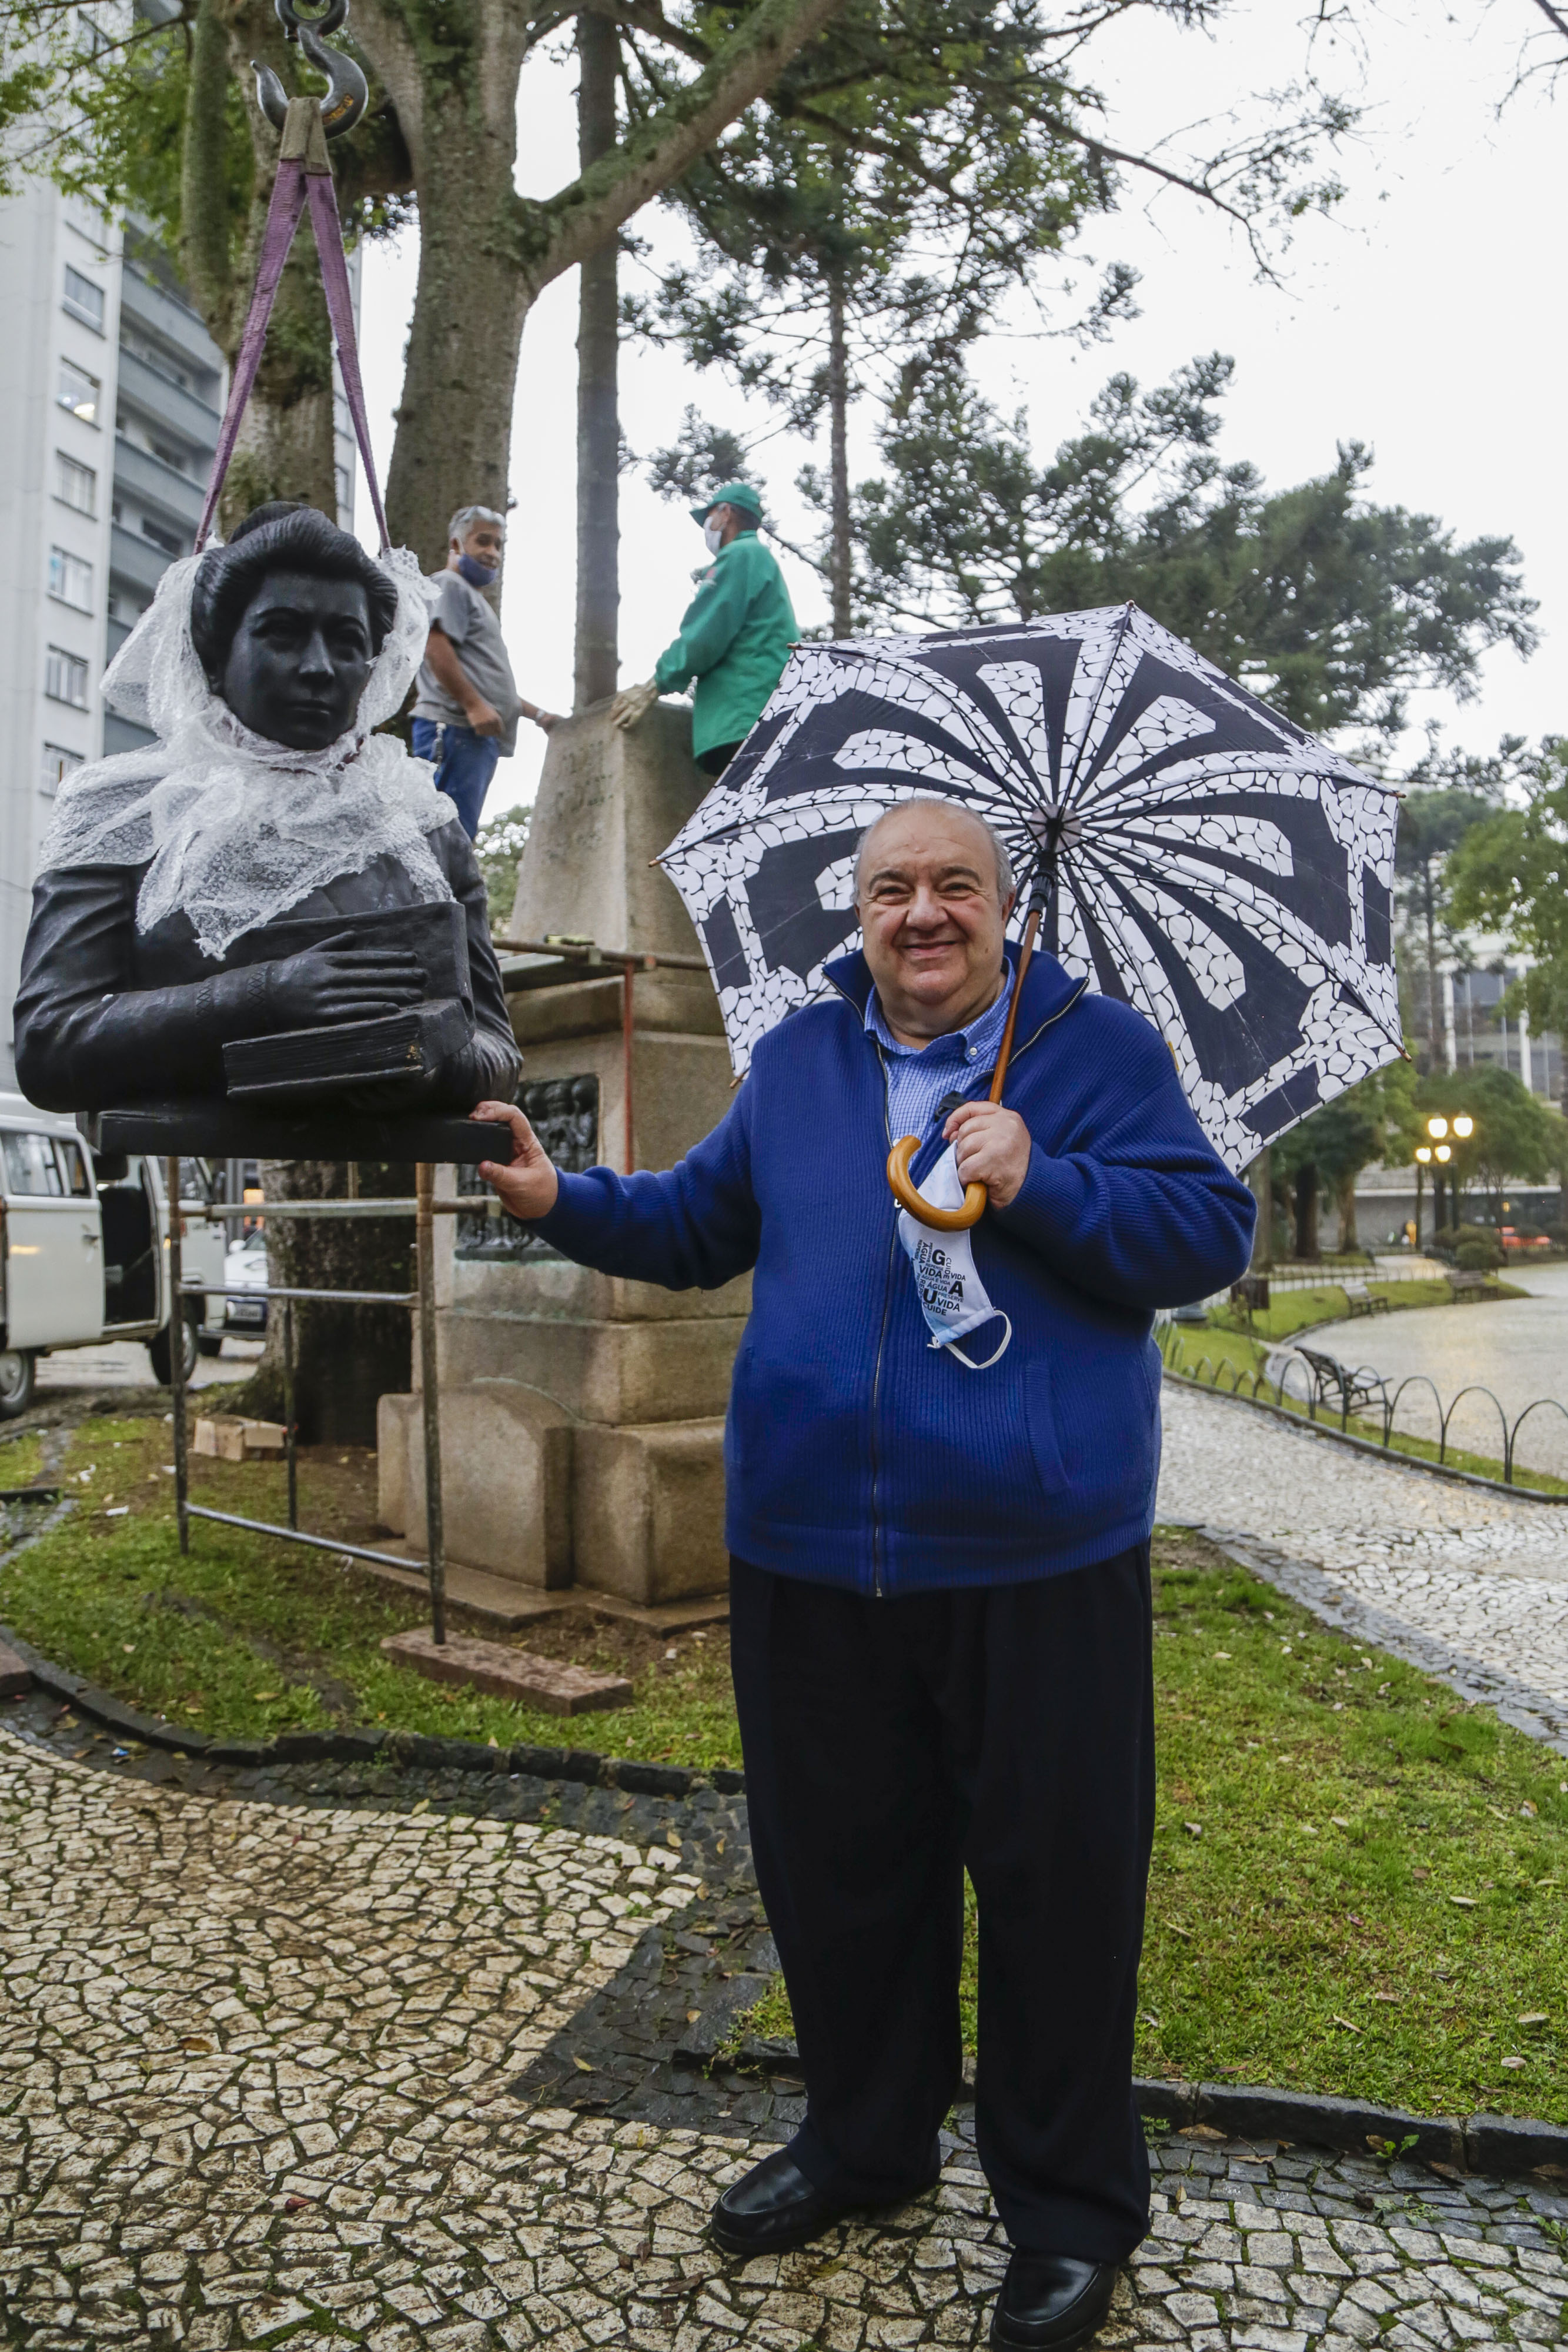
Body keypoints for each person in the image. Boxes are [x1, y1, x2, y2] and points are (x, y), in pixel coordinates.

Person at [470, 796, 1255, 2351]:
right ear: (856, 909)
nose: (921, 914)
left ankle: (1067, 2214)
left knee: (1056, 1896)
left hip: (1040, 1560)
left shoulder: (1092, 1055)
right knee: (840, 1883)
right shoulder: (799, 1061)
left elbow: (1203, 1235)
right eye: (890, 888)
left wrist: (1045, 1176)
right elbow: (698, 1227)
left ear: (1001, 901)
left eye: (953, 885)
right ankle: (863, 2143)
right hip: (811, 1558)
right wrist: (558, 1200)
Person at [15, 500, 521, 1114]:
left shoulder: (425, 825)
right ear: (216, 657)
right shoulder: (121, 809)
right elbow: (48, 1045)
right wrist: (261, 996)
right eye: (281, 634)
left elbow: (498, 1048)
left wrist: (417, 1060)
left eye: (347, 642)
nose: (318, 667)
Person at [610, 481, 796, 775]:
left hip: (742, 717)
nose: (707, 527)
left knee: (743, 812)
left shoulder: (740, 555)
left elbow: (705, 634)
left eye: (709, 517)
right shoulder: (759, 558)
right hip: (764, 713)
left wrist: (654, 685)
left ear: (726, 513)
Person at [414, 505, 561, 839]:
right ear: (456, 545)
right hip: (453, 728)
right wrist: (473, 705)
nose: (492, 553)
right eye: (483, 542)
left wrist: (537, 715)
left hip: (476, 736)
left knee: (460, 833)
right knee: (443, 834)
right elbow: (436, 646)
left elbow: (489, 682)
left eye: (498, 545)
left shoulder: (473, 599)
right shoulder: (449, 584)